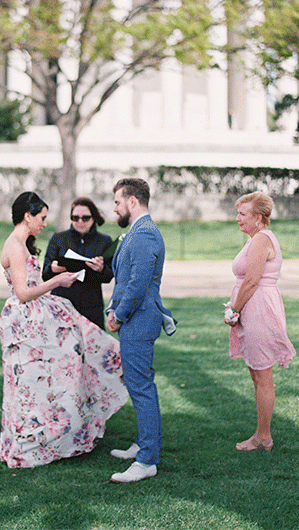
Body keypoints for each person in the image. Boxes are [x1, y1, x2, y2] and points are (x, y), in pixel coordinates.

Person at [0, 191, 127, 468]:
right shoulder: (15, 246)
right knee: (27, 383)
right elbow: (22, 293)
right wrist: (57, 281)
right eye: (42, 218)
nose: (44, 223)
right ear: (28, 216)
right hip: (25, 320)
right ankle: (28, 440)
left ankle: (58, 428)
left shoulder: (23, 243)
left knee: (52, 375)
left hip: (38, 316)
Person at [106, 177, 176, 483]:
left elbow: (138, 284)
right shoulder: (136, 232)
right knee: (138, 386)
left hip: (140, 319)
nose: (115, 208)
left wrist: (119, 315)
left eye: (118, 202)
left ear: (133, 202)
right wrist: (112, 308)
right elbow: (123, 280)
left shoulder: (145, 234)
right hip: (130, 317)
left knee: (142, 387)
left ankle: (147, 459)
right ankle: (144, 445)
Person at [225, 191, 295, 452]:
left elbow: (252, 280)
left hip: (258, 310)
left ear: (259, 217)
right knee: (256, 374)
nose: (237, 219)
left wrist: (233, 310)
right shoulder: (254, 239)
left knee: (263, 376)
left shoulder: (261, 239)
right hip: (252, 308)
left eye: (242, 214)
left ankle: (263, 437)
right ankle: (261, 434)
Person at [43, 197, 114, 329]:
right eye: (75, 218)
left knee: (93, 348)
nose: (80, 221)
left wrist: (101, 269)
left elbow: (109, 276)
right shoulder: (59, 238)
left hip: (91, 307)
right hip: (61, 304)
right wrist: (53, 268)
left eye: (85, 218)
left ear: (94, 218)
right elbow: (45, 273)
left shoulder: (104, 241)